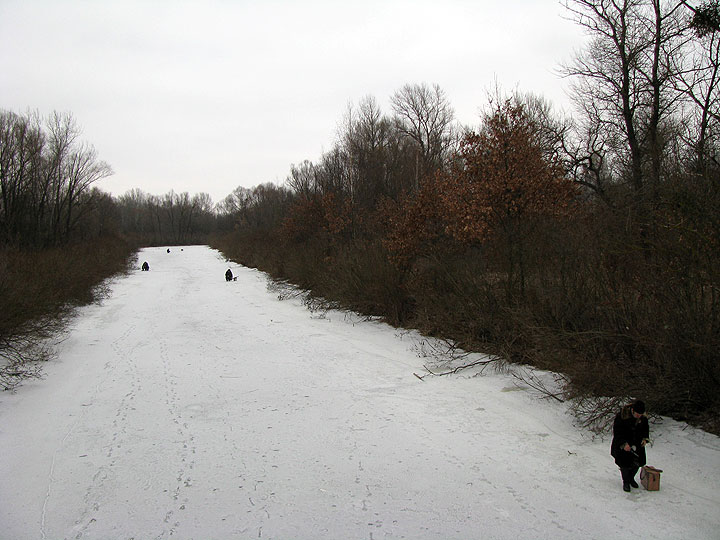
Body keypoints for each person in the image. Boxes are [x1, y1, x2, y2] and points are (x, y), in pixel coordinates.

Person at [610, 400, 650, 492]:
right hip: (623, 443)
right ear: (632, 410)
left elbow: (645, 429)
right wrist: (623, 444)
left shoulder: (643, 418)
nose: (638, 416)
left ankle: (631, 478)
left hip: (637, 443)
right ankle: (626, 482)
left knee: (639, 462)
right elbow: (617, 432)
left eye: (640, 414)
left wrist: (645, 439)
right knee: (624, 463)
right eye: (637, 414)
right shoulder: (622, 417)